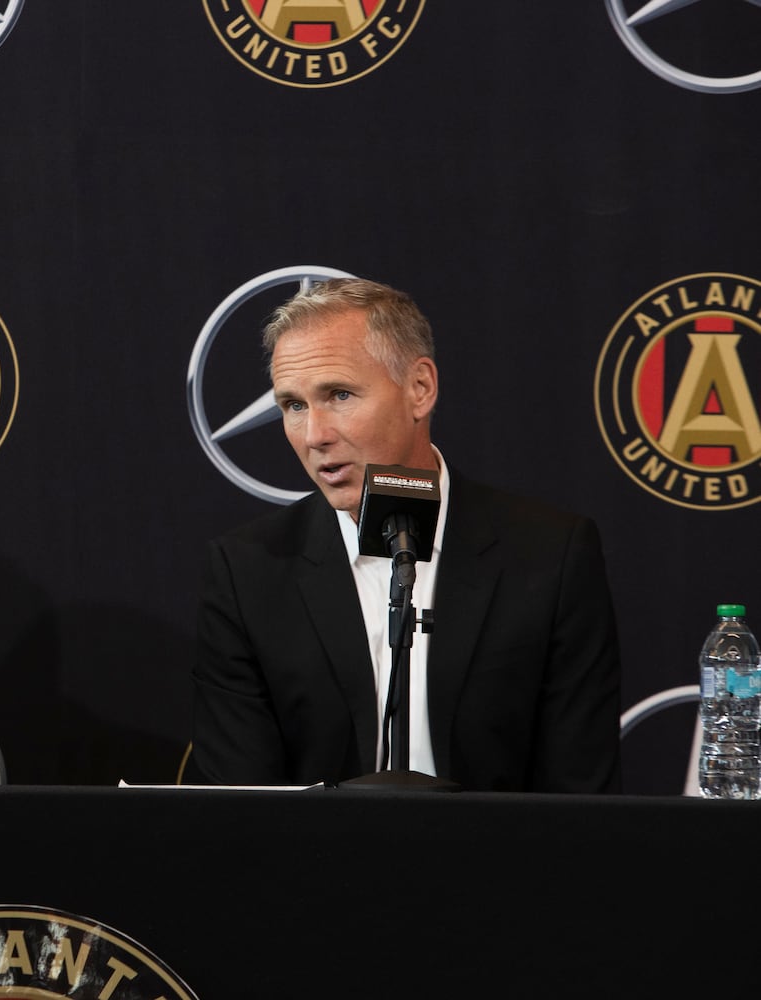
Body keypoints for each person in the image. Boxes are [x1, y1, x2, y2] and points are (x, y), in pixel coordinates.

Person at [188, 277, 622, 792]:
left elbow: (581, 797)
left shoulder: (551, 555)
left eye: (339, 394)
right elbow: (239, 805)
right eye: (294, 405)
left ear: (420, 389)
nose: (314, 435)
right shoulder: (249, 571)